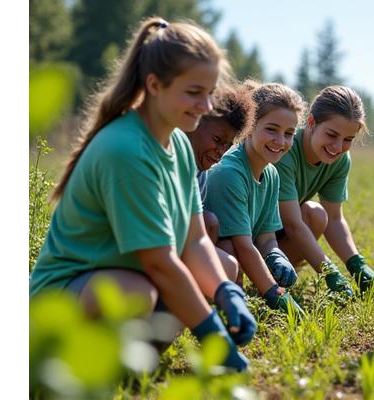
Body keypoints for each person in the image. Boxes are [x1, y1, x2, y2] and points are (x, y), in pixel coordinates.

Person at [29, 17, 255, 371]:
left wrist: (227, 293)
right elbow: (159, 262)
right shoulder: (126, 149)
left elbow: (195, 240)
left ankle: (129, 366)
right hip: (60, 300)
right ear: (154, 84)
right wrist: (212, 332)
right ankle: (65, 366)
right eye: (194, 92)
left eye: (210, 93)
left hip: (122, 279)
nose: (206, 106)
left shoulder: (179, 142)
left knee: (219, 269)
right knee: (136, 291)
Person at [203, 80, 307, 315]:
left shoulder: (271, 173)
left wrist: (274, 254)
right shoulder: (230, 173)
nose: (280, 141)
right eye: (271, 129)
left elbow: (266, 237)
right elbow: (242, 246)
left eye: (289, 134)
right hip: (212, 253)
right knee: (229, 247)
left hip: (238, 252)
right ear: (249, 127)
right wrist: (274, 293)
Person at [274, 86, 374, 297]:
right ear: (312, 123)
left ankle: (277, 276)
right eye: (331, 134)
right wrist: (329, 273)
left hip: (277, 233)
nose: (338, 146)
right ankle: (264, 276)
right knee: (310, 216)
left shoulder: (339, 160)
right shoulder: (285, 150)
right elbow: (293, 224)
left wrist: (356, 264)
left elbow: (334, 219)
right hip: (249, 233)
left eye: (348, 139)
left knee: (316, 215)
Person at [185, 85, 256, 285]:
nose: (220, 151)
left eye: (227, 145)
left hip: (182, 243)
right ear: (195, 122)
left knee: (209, 221)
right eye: (217, 140)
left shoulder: (201, 172)